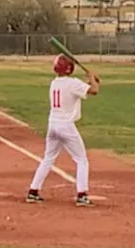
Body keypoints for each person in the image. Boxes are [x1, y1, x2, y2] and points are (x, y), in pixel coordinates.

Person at [26, 55, 100, 207]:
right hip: (66, 126)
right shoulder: (73, 83)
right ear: (70, 69)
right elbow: (94, 91)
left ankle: (33, 191)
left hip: (53, 124)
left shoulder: (54, 83)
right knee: (81, 160)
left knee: (48, 158)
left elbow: (86, 89)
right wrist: (92, 78)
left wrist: (92, 80)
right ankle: (82, 195)